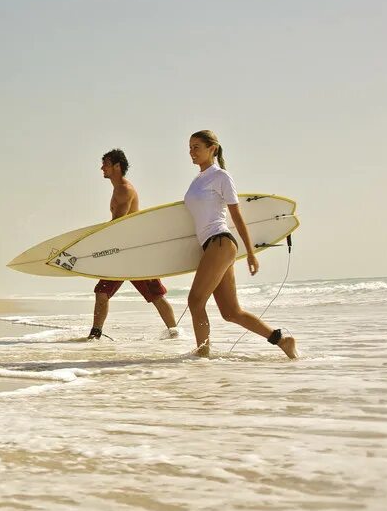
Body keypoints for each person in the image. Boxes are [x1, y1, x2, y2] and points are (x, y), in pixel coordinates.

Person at [184, 130, 297, 358]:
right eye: (190, 147)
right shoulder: (198, 180)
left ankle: (202, 355)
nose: (191, 152)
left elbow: (236, 216)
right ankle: (282, 340)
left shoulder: (221, 177)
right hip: (211, 246)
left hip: (220, 242)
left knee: (195, 301)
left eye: (197, 147)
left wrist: (252, 253)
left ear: (212, 148)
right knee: (231, 312)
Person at [90, 148, 178, 339]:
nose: (101, 168)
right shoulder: (117, 189)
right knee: (102, 292)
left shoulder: (125, 190)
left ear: (117, 166)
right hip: (122, 252)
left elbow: (118, 223)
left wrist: (95, 240)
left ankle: (175, 333)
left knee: (156, 295)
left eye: (105, 164)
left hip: (134, 253)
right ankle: (95, 335)